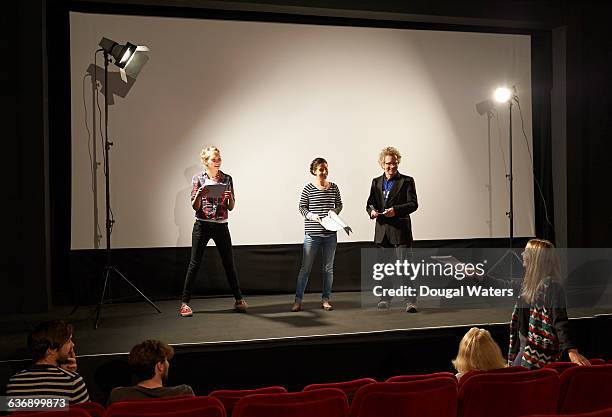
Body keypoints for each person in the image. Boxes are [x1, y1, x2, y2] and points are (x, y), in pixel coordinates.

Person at [180, 146, 247, 317]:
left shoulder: (227, 178)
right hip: (202, 225)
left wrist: (228, 197)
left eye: (219, 158)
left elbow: (231, 207)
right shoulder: (198, 179)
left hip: (221, 225)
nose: (217, 161)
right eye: (214, 159)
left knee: (228, 263)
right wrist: (200, 195)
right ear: (206, 162)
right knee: (194, 263)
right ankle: (185, 303)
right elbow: (194, 206)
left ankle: (239, 299)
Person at [506, 239, 591, 368]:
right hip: (523, 345)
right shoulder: (528, 284)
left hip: (535, 351)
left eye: (526, 251)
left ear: (536, 258)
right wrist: (478, 277)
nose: (523, 254)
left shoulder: (552, 287)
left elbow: (560, 321)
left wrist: (571, 351)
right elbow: (504, 285)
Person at [366, 146, 419, 312]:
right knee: (384, 268)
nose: (392, 167)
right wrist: (372, 211)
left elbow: (413, 204)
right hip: (382, 232)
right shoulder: (376, 182)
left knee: (405, 267)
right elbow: (369, 203)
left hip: (401, 231)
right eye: (389, 164)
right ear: (382, 164)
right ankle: (385, 298)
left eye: (395, 163)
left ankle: (410, 301)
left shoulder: (407, 180)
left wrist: (395, 210)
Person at [292, 157, 343, 312]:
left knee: (328, 269)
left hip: (330, 235)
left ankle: (325, 299)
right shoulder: (308, 188)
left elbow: (339, 205)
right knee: (305, 269)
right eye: (321, 169)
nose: (324, 172)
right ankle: (298, 301)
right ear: (314, 171)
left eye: (326, 169)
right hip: (312, 235)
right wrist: (312, 216)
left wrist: (334, 212)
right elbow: (302, 208)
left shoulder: (333, 187)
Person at [6, 320, 89, 404]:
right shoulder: (73, 383)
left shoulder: (14, 383)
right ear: (51, 349)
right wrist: (71, 375)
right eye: (68, 341)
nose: (72, 344)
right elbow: (88, 412)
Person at [108, 340, 194, 405]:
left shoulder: (118, 396)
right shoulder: (183, 393)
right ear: (159, 366)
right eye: (166, 360)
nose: (168, 363)